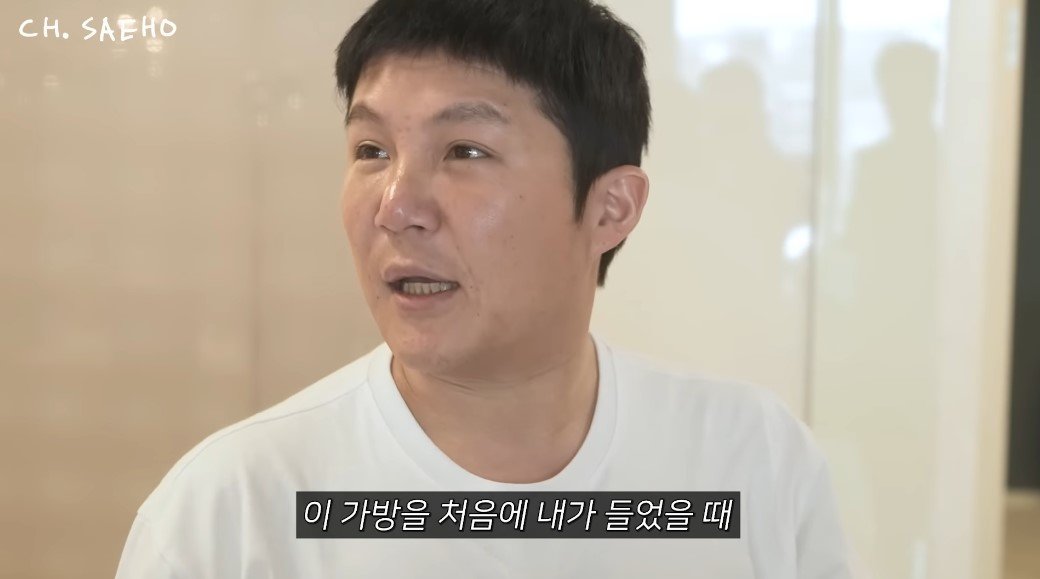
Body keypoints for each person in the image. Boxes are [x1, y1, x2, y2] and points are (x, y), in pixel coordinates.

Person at [115, 0, 862, 577]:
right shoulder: (234, 508)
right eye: (371, 150)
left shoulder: (750, 460)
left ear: (611, 208)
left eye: (465, 151)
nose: (396, 206)